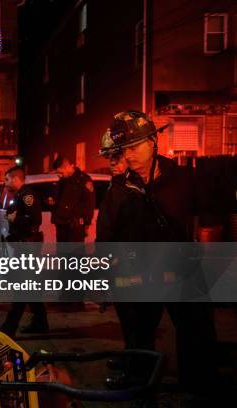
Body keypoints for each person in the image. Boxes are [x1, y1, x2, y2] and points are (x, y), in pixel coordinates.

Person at [96, 110, 218, 401]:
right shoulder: (119, 187)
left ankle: (198, 386)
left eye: (135, 146)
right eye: (125, 149)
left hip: (182, 270)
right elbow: (108, 236)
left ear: (153, 141)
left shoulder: (182, 178)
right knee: (139, 336)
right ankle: (140, 386)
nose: (130, 154)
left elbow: (208, 217)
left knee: (195, 332)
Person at [0, 166, 48, 337]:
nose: (5, 183)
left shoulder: (27, 195)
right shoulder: (19, 195)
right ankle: (41, 322)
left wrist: (14, 218)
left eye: (7, 179)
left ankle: (9, 326)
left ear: (15, 179)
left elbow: (34, 220)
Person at [50, 157, 95, 242]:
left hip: (75, 228)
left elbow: (90, 204)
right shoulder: (62, 181)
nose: (59, 175)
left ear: (67, 167)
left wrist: (87, 223)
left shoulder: (83, 180)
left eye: (60, 172)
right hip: (62, 226)